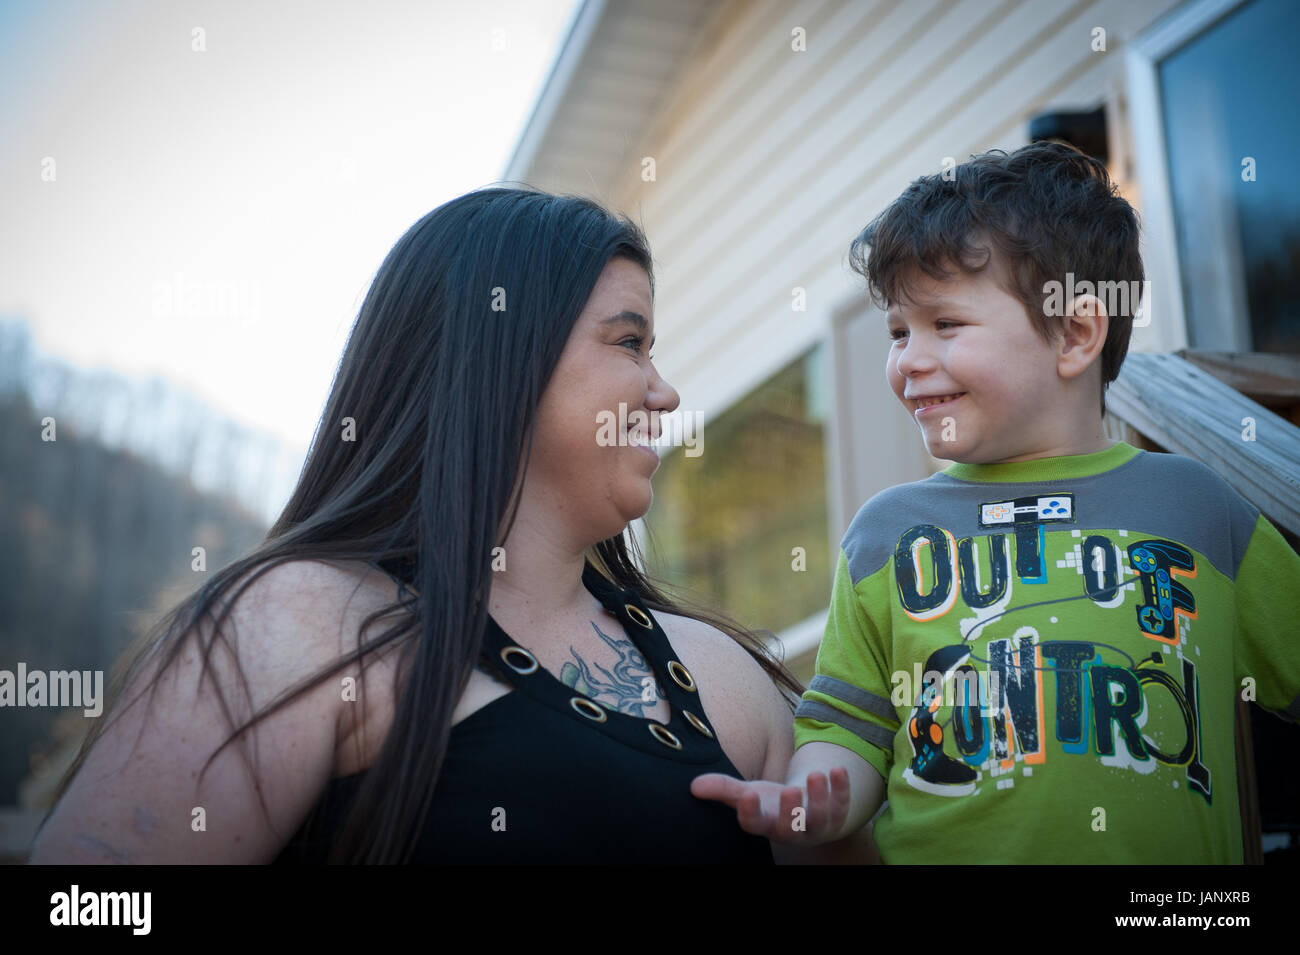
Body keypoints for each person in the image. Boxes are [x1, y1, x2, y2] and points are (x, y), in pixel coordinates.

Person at [29, 188, 869, 864]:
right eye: (630, 342)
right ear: (504, 354)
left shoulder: (722, 680)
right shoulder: (303, 624)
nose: (665, 391)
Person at [692, 141, 1300, 863]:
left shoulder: (1197, 510)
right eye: (897, 332)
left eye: (945, 325)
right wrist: (816, 795)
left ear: (1074, 332)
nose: (907, 359)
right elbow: (847, 732)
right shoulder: (885, 535)